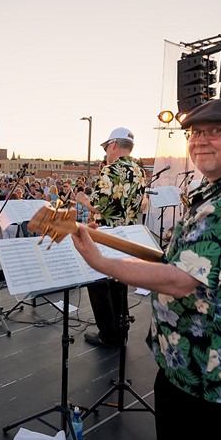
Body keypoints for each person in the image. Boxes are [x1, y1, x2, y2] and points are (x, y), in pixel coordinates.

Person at [71, 97, 221, 440]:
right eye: (195, 132)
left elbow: (181, 279)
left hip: (210, 365)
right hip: (192, 357)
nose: (201, 140)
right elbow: (188, 261)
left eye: (216, 131)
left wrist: (100, 261)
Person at [74, 127, 146, 347]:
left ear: (114, 145)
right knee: (120, 282)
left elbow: (97, 206)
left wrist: (82, 198)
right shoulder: (139, 170)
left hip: (107, 237)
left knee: (97, 282)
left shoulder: (111, 170)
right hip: (128, 237)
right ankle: (120, 329)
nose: (106, 152)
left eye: (106, 147)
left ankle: (107, 333)